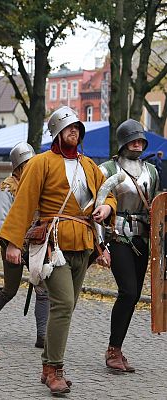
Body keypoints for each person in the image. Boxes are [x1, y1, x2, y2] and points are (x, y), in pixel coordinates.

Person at [0, 106, 116, 395]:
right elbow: (24, 203)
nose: (73, 131)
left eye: (77, 127)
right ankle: (55, 369)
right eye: (68, 128)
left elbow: (107, 193)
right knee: (63, 304)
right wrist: (14, 243)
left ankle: (47, 367)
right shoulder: (41, 163)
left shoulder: (90, 166)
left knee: (68, 305)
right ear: (57, 132)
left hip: (84, 245)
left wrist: (106, 206)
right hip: (53, 243)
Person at [99, 119, 159, 372]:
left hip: (142, 238)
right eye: (132, 140)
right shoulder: (106, 169)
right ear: (123, 142)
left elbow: (157, 207)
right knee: (128, 292)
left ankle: (117, 348)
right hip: (117, 237)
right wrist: (100, 246)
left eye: (140, 140)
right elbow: (98, 207)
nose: (137, 144)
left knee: (132, 297)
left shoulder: (152, 171)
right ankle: (113, 350)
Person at [0, 142, 49, 348]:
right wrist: (15, 246)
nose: (31, 167)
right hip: (13, 245)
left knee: (43, 288)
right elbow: (3, 222)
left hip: (36, 245)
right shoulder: (6, 188)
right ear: (19, 166)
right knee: (10, 289)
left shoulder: (37, 186)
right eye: (27, 163)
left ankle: (43, 336)